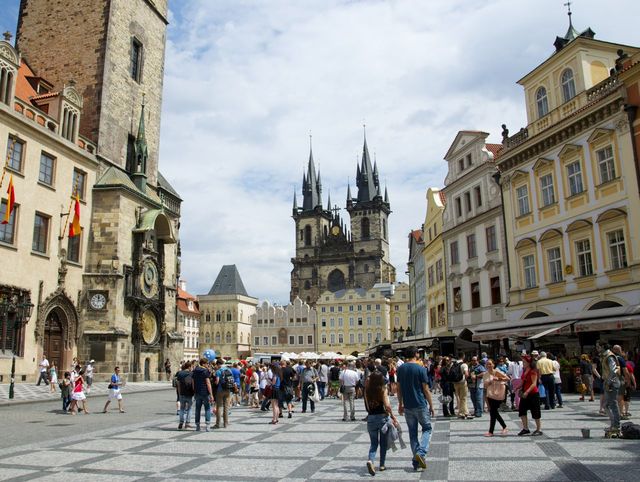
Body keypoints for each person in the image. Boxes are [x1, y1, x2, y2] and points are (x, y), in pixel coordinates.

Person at [397, 346, 434, 472]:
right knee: (427, 429)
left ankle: (416, 461)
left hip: (408, 405)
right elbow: (425, 389)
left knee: (413, 434)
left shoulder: (400, 369)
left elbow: (399, 388)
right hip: (420, 404)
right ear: (416, 354)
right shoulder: (420, 369)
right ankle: (421, 452)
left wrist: (400, 403)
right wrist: (432, 405)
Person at [364, 371, 397, 476]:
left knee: (373, 443)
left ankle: (370, 460)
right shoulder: (383, 389)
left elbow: (367, 407)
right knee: (383, 443)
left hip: (371, 419)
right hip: (382, 418)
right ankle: (382, 465)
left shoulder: (366, 390)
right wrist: (392, 416)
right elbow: (387, 405)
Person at [598, 340, 621, 436]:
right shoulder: (604, 356)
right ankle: (614, 424)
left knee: (612, 404)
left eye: (598, 346)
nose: (597, 348)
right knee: (607, 405)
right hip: (608, 382)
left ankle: (616, 425)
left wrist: (609, 381)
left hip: (612, 383)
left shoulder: (609, 356)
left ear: (603, 346)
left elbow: (614, 369)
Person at [483, 359, 509, 437]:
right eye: (487, 364)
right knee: (493, 412)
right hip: (490, 394)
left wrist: (498, 379)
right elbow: (485, 386)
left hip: (498, 394)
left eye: (490, 364)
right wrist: (490, 382)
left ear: (493, 365)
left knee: (493, 412)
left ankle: (492, 431)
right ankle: (502, 427)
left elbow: (507, 378)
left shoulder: (497, 372)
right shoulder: (485, 374)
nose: (489, 366)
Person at [518, 355, 542, 436]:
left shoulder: (533, 371)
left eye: (524, 362)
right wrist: (518, 387)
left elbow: (534, 384)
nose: (523, 363)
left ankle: (538, 429)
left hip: (533, 394)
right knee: (522, 410)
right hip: (525, 393)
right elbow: (522, 381)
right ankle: (525, 428)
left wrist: (527, 392)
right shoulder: (524, 370)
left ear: (528, 362)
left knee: (535, 412)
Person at [192, 357, 214, 431]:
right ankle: (207, 425)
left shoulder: (195, 370)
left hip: (197, 392)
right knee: (207, 408)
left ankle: (197, 426)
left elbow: (193, 382)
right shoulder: (205, 371)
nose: (208, 365)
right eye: (207, 363)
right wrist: (211, 394)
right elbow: (208, 383)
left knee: (197, 409)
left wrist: (194, 390)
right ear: (203, 364)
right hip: (205, 392)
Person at [214, 359, 233, 429]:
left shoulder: (218, 371)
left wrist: (215, 382)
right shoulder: (229, 370)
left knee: (219, 406)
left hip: (220, 390)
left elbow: (217, 381)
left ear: (218, 364)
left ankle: (218, 424)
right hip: (228, 389)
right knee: (226, 407)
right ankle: (226, 423)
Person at [452, 352, 471, 419]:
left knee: (460, 398)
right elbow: (466, 374)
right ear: (463, 356)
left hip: (455, 383)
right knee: (463, 398)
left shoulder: (454, 364)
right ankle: (465, 413)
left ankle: (461, 412)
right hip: (462, 383)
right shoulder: (464, 365)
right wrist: (468, 377)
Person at [176, 361, 194, 430]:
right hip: (190, 393)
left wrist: (180, 393)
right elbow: (193, 384)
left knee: (182, 409)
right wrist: (194, 391)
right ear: (189, 367)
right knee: (189, 409)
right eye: (191, 367)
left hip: (182, 393)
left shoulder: (180, 373)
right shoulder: (191, 373)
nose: (192, 368)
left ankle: (181, 422)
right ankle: (187, 423)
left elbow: (178, 384)